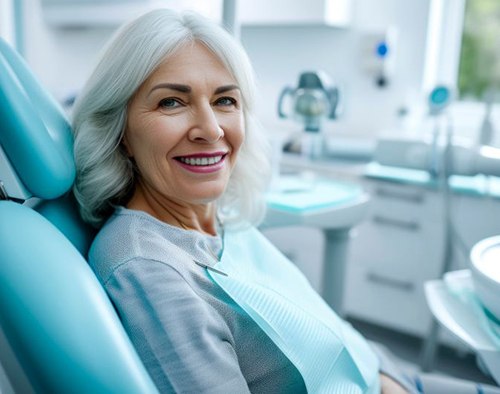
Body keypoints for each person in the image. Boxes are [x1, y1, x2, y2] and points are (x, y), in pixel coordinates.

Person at [72, 9, 500, 394]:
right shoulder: (148, 268)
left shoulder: (219, 222)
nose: (211, 129)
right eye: (171, 102)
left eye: (225, 100)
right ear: (121, 131)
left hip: (388, 373)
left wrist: (392, 378)